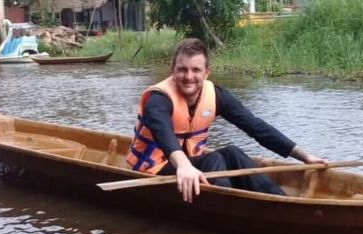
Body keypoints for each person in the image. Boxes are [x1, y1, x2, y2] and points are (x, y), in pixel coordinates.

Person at [127, 38, 328, 203]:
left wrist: (305, 156)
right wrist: (184, 166)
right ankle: (228, 207)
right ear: (173, 69)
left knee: (232, 153)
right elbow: (164, 135)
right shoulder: (158, 99)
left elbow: (256, 127)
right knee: (215, 159)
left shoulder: (215, 95)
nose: (189, 76)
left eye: (196, 70)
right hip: (153, 169)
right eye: (182, 69)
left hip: (189, 165)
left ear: (206, 72)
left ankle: (279, 201)